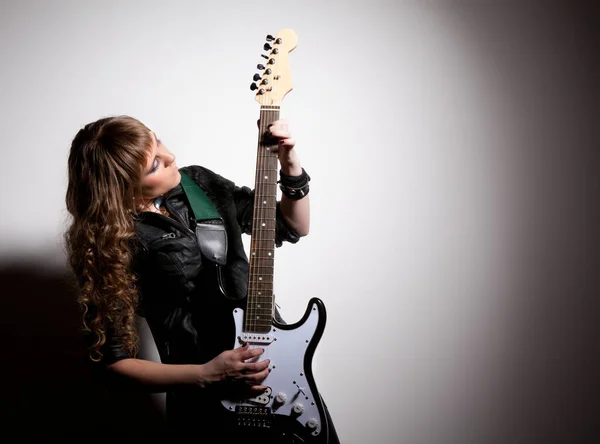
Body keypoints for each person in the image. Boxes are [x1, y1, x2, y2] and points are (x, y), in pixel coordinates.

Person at [65, 115, 339, 443]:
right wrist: (207, 375)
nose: (171, 158)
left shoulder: (199, 183)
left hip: (280, 377)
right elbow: (115, 364)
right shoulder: (110, 244)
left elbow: (292, 226)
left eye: (159, 142)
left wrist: (290, 164)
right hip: (204, 407)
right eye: (154, 165)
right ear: (121, 188)